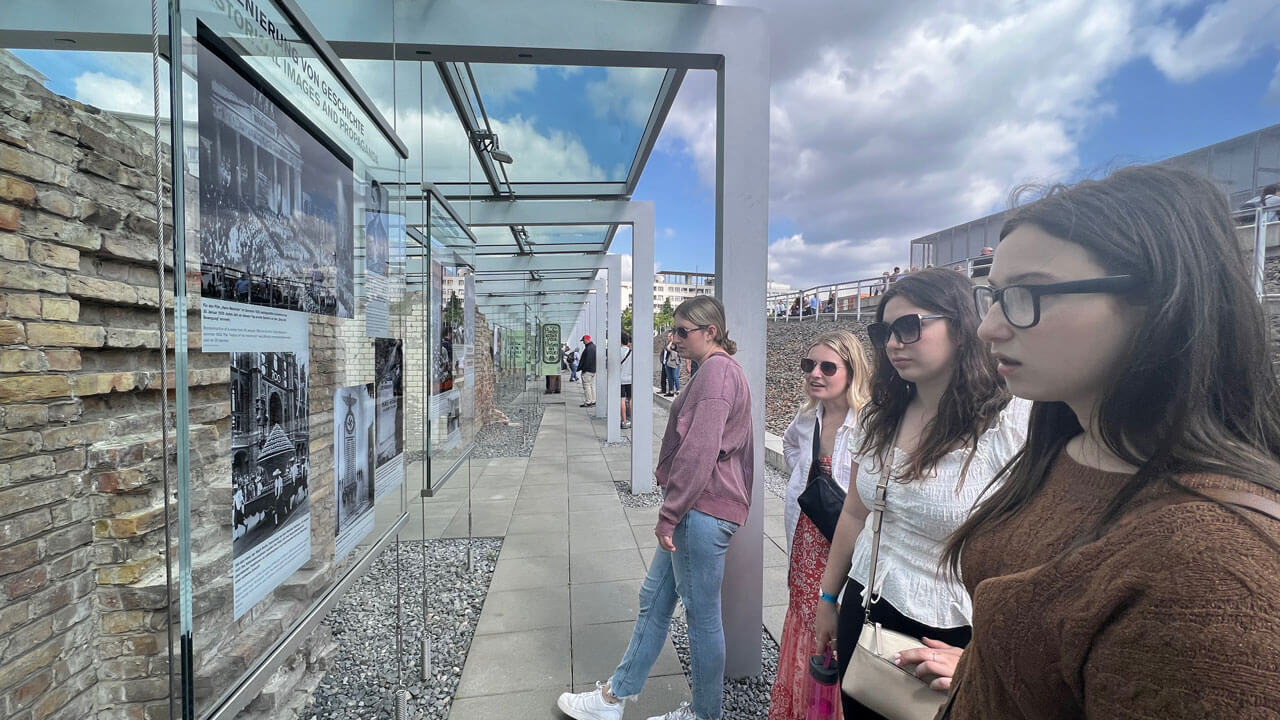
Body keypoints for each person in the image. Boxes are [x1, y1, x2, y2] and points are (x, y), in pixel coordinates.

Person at [918, 166, 1280, 717]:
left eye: (1027, 294)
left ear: (1159, 299)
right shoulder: (1069, 442)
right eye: (992, 295)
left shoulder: (1213, 577)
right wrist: (983, 663)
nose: (989, 326)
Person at [813, 268, 1030, 719]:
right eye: (886, 331)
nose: (893, 342)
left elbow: (1036, 555)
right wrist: (828, 600)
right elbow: (856, 513)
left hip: (954, 630)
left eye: (909, 326)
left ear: (960, 325)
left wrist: (986, 656)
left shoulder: (1010, 424)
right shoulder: (879, 415)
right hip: (867, 604)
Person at [557, 296, 753, 720]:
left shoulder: (717, 374)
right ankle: (615, 697)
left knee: (701, 619)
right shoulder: (715, 372)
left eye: (683, 331)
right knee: (655, 598)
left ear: (710, 332)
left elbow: (700, 452)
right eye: (674, 330)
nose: (674, 338)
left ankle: (705, 714)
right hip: (698, 510)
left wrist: (670, 512)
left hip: (699, 511)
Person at [769, 330, 871, 720]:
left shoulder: (866, 423)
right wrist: (805, 475)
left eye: (828, 367)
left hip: (843, 545)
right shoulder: (808, 416)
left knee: (836, 631)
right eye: (809, 365)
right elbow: (792, 445)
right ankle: (799, 707)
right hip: (805, 539)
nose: (816, 373)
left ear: (851, 371)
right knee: (803, 618)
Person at [619, 331, 634, 429]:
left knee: (622, 400)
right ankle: (633, 420)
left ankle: (624, 421)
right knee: (631, 399)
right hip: (631, 379)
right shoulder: (631, 352)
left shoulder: (617, 352)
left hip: (620, 379)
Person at [578, 334, 597, 407]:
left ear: (587, 339)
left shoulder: (588, 348)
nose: (583, 342)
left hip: (587, 371)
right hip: (593, 370)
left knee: (586, 386)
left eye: (583, 340)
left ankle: (588, 401)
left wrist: (583, 369)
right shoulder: (594, 347)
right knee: (591, 385)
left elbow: (587, 361)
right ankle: (593, 400)